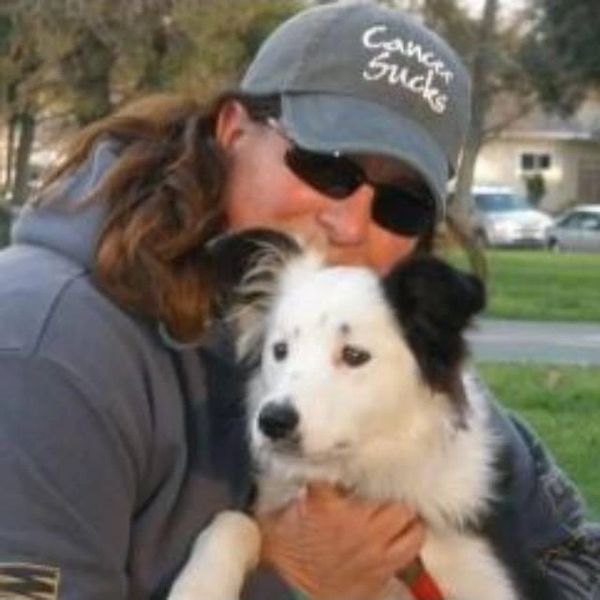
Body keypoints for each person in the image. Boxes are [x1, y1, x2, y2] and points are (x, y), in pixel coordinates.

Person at [0, 2, 597, 599]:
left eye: (400, 204)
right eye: (327, 167)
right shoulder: (44, 346)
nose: (350, 224)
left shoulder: (409, 369)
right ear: (232, 130)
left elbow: (576, 559)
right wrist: (287, 579)